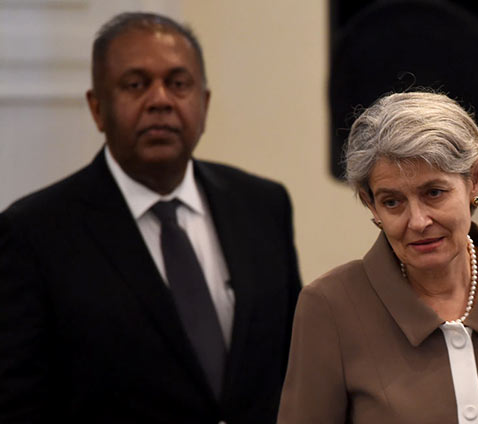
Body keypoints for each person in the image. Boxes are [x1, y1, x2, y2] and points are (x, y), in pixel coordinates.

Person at [0, 12, 301, 423]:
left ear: (204, 102)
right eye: (136, 84)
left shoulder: (263, 205)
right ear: (97, 108)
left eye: (178, 84)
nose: (160, 100)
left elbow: (295, 368)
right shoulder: (33, 233)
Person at [277, 91, 478, 423]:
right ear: (370, 204)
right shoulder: (330, 305)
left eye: (433, 193)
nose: (418, 221)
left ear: (476, 180)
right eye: (392, 202)